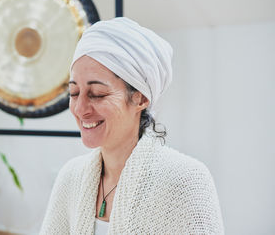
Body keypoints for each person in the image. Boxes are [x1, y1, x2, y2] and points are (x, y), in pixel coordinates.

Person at [40, 17, 224, 234]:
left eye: (97, 94)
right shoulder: (71, 176)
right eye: (74, 93)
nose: (80, 109)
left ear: (141, 99)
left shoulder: (185, 181)